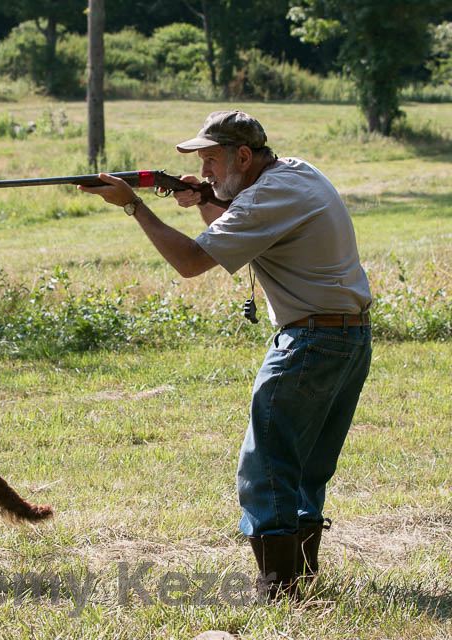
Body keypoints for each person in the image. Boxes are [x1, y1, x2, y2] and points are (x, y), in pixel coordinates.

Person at [79, 110, 372, 600]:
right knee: (303, 465)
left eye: (212, 160)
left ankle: (277, 590)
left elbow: (193, 262)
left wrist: (135, 206)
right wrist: (204, 200)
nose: (207, 170)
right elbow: (240, 234)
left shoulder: (270, 195)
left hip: (311, 343)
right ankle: (297, 583)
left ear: (242, 155)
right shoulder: (294, 174)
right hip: (344, 338)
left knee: (264, 469)